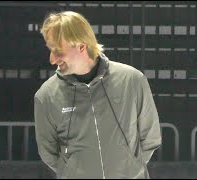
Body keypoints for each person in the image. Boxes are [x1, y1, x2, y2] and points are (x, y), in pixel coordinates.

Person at [34, 11, 162, 179]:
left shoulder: (132, 80)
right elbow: (48, 153)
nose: (52, 59)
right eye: (50, 50)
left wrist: (130, 169)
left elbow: (150, 137)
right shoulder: (46, 96)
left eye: (57, 50)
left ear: (81, 46)